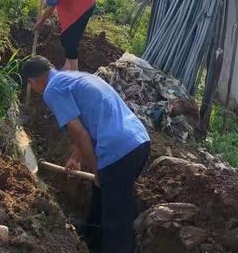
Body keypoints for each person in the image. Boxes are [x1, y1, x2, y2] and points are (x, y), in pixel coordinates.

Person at [22, 56, 150, 253]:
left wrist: (96, 168)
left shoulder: (52, 90)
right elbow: (89, 121)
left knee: (116, 220)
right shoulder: (74, 77)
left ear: (32, 81)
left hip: (117, 150)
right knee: (103, 197)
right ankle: (90, 240)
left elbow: (78, 131)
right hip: (138, 141)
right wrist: (76, 157)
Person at [15, 0, 100, 70]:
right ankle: (67, 66)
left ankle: (74, 73)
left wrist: (41, 22)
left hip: (83, 4)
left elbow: (52, 5)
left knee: (69, 41)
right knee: (67, 38)